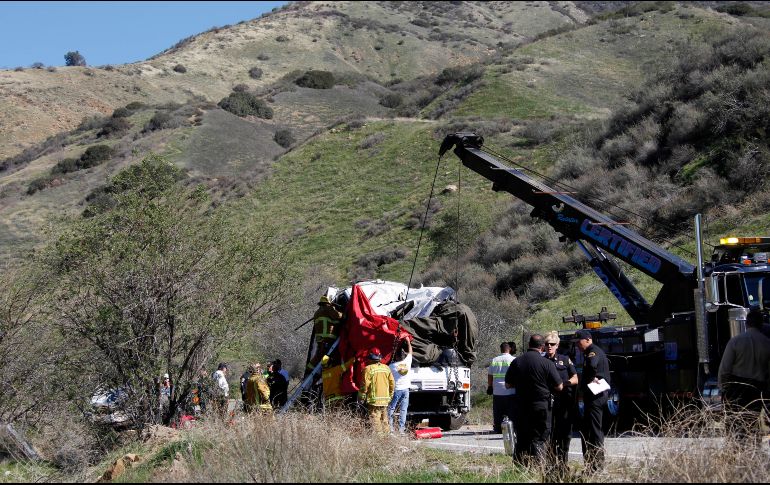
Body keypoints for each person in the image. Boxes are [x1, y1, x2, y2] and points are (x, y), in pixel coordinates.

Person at [505, 334, 563, 464]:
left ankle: (520, 467)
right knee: (540, 438)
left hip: (521, 406)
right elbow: (559, 386)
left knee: (522, 437)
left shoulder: (517, 361)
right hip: (541, 407)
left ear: (529, 345)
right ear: (542, 347)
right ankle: (539, 466)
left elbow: (508, 384)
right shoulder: (546, 363)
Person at [718, 310, 770, 437]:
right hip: (756, 391)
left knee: (734, 427)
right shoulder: (767, 344)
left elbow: (724, 369)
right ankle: (751, 453)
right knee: (751, 425)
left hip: (736, 389)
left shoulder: (735, 341)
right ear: (761, 324)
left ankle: (736, 454)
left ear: (747, 324)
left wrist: (723, 390)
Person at [574, 329, 610, 475]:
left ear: (588, 339)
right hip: (596, 397)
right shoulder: (592, 351)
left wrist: (588, 379)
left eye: (579, 341)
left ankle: (598, 467)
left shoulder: (593, 352)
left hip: (595, 397)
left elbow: (591, 366)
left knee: (594, 431)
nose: (577, 345)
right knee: (589, 431)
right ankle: (592, 466)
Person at [544, 331, 578, 473]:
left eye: (552, 344)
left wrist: (565, 384)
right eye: (547, 344)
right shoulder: (542, 361)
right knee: (550, 434)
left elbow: (575, 378)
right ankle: (551, 464)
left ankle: (563, 463)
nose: (549, 347)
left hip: (564, 402)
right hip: (548, 404)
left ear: (557, 345)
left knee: (565, 434)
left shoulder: (564, 359)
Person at [360, 347, 395, 436]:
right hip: (385, 400)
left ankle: (379, 440)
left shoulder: (368, 369)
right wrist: (390, 396)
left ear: (370, 358)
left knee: (376, 421)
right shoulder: (386, 368)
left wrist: (362, 396)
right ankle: (386, 438)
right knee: (384, 420)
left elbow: (365, 385)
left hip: (374, 401)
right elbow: (392, 384)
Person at [306, 295, 344, 374]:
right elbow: (338, 316)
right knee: (328, 356)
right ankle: (315, 371)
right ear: (327, 303)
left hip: (320, 339)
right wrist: (342, 313)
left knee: (318, 356)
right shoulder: (328, 308)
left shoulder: (317, 312)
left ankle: (309, 370)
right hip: (328, 338)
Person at [488, 342, 516, 434]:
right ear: (510, 349)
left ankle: (498, 428)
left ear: (501, 349)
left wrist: (490, 386)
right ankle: (511, 428)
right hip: (510, 390)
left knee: (498, 411)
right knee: (511, 411)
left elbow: (490, 375)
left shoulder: (495, 360)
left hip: (497, 390)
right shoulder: (513, 360)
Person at [388, 338, 413, 435]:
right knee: (403, 410)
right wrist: (408, 342)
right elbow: (411, 352)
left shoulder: (391, 366)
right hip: (405, 390)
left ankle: (390, 429)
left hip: (396, 390)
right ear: (404, 357)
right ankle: (401, 430)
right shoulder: (407, 362)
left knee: (391, 409)